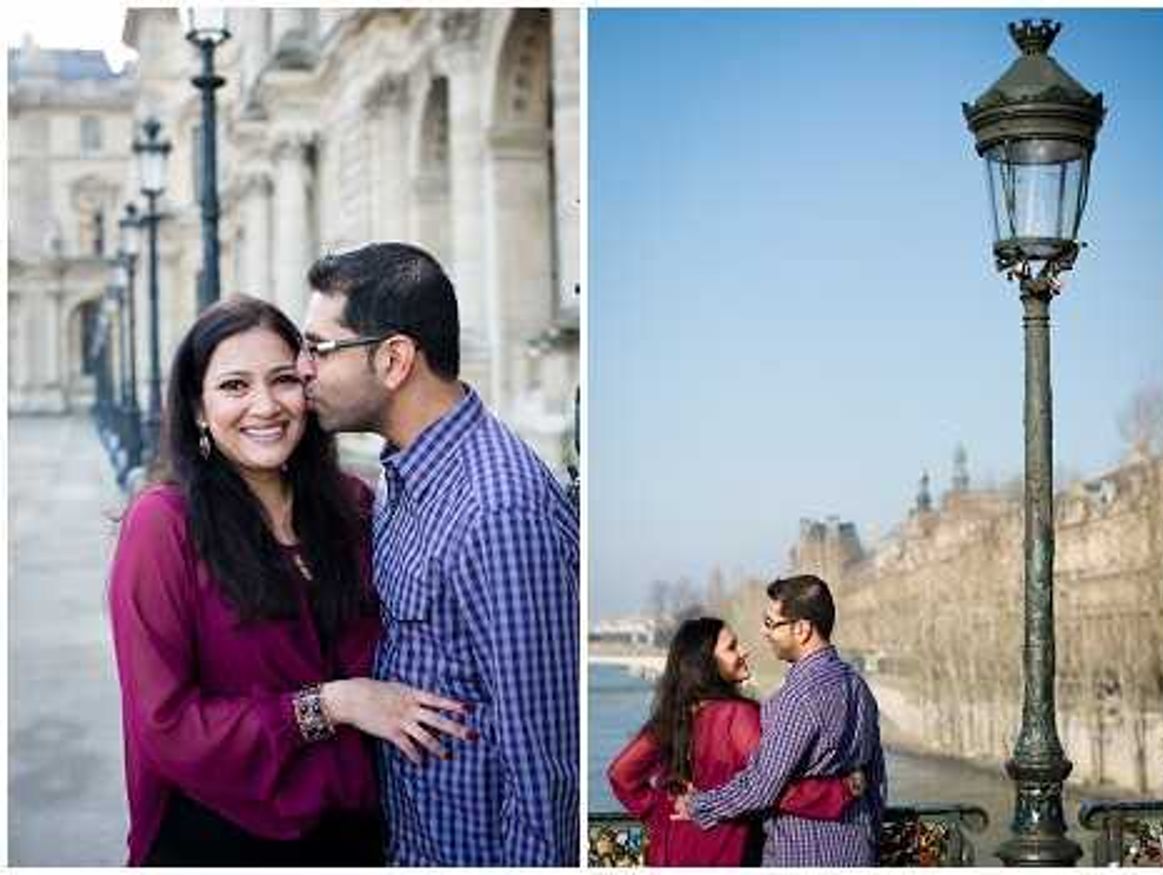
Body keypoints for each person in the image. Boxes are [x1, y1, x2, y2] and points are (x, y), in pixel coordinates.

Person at [108, 296, 473, 866]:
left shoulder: (353, 506)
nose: (265, 405)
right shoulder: (162, 526)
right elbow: (166, 727)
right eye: (234, 386)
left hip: (361, 836)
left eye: (283, 380)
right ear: (198, 407)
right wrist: (332, 704)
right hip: (220, 835)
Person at [298, 243, 579, 866]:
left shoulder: (498, 511)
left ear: (394, 359)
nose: (301, 370)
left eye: (318, 348)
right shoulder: (405, 476)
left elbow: (545, 772)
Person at [608, 617, 863, 866]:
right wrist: (839, 792)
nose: (743, 651)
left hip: (666, 851)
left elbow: (620, 774)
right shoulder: (736, 716)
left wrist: (660, 810)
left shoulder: (672, 715)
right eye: (731, 647)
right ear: (706, 663)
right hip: (717, 850)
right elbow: (768, 786)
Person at [681, 575, 886, 866]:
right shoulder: (857, 685)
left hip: (804, 853)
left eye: (770, 623)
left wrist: (699, 805)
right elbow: (876, 779)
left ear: (802, 629)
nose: (764, 632)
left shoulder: (798, 696)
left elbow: (761, 787)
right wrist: (871, 838)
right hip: (858, 851)